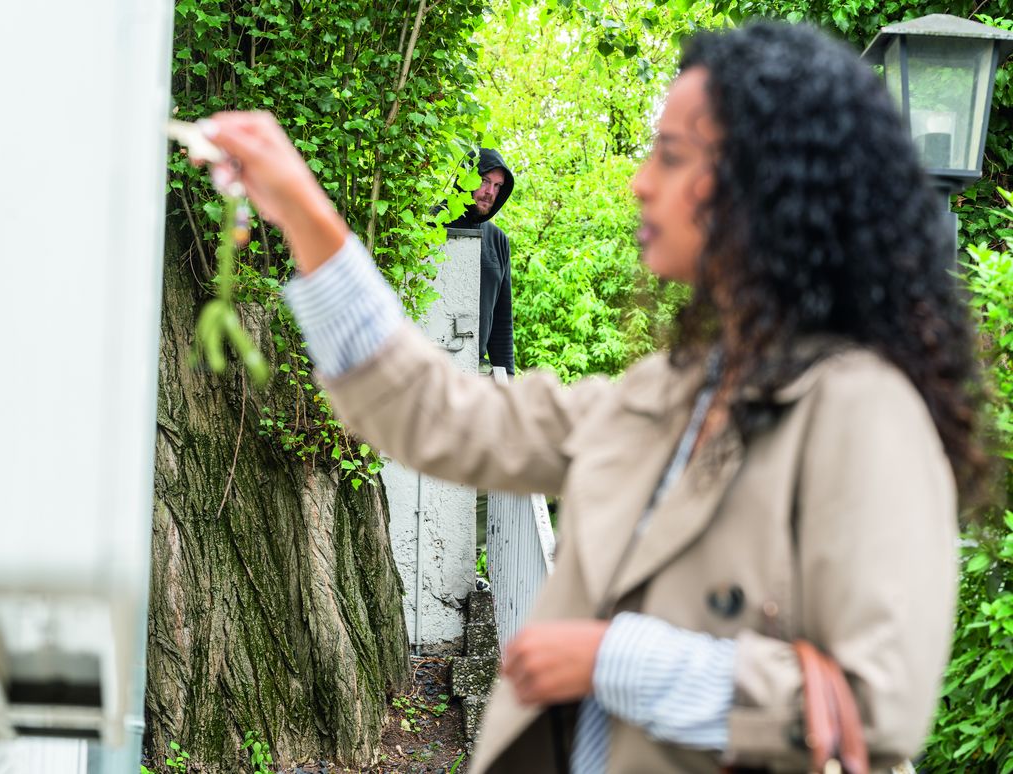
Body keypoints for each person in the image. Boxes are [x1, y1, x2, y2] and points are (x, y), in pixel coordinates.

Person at [195, 20, 983, 774]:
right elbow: (436, 415)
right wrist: (303, 211)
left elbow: (878, 703)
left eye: (670, 157)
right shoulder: (667, 392)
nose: (641, 183)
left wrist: (611, 659)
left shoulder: (867, 411)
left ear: (765, 187)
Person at [444, 149, 517, 376]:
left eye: (497, 186)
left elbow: (502, 322)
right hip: (428, 367)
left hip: (474, 369)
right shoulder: (431, 225)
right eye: (484, 181)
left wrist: (509, 381)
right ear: (466, 177)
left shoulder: (498, 240)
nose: (489, 192)